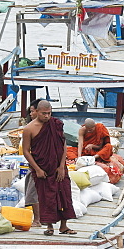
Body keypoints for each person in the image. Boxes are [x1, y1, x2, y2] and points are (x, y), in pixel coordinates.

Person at [22, 100, 75, 235]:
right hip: (42, 168)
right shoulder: (29, 129)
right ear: (37, 112)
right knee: (47, 197)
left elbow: (63, 144)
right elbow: (26, 151)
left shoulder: (56, 124)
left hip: (59, 167)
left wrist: (62, 166)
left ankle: (64, 226)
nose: (47, 116)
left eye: (49, 113)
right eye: (44, 113)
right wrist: (37, 169)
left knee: (64, 194)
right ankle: (50, 227)